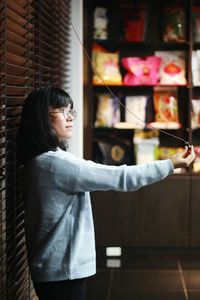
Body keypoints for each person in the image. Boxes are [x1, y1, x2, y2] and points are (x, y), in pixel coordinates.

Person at [17, 86, 195, 300]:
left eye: (71, 110)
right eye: (62, 110)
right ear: (41, 117)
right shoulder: (56, 164)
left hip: (51, 267)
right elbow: (122, 177)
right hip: (62, 270)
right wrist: (169, 164)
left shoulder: (39, 160)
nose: (70, 116)